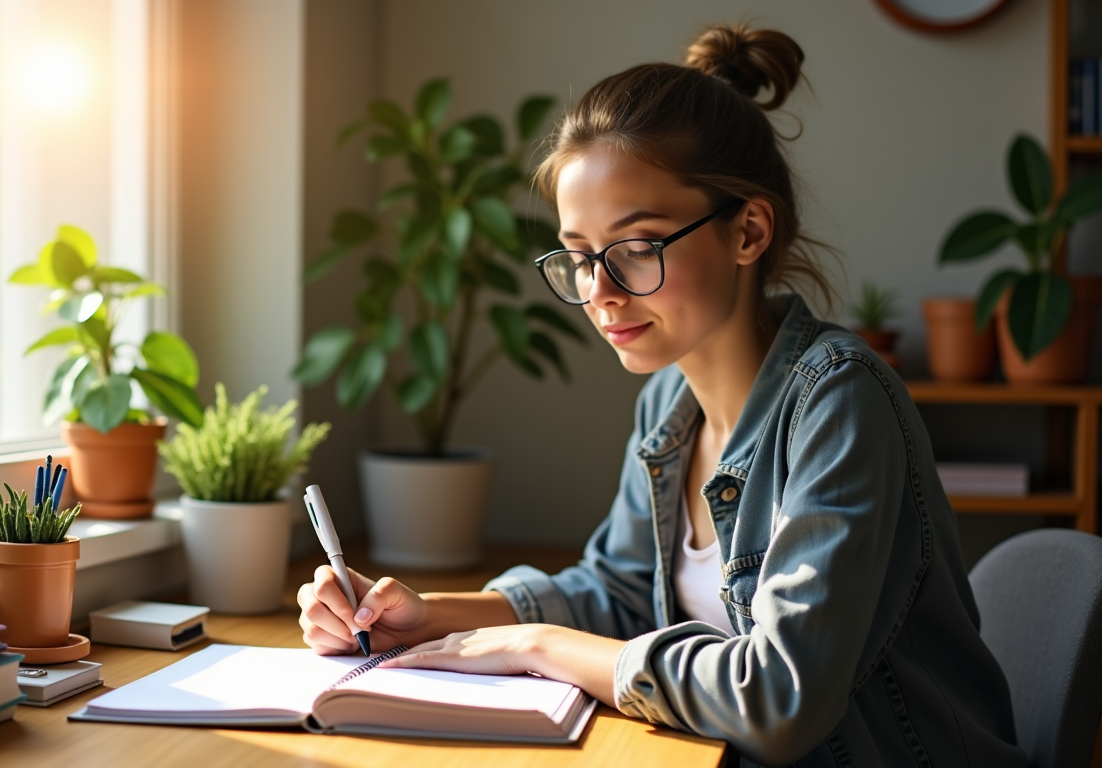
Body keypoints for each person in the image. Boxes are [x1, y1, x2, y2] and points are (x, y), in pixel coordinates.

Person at [298, 23, 1026, 768]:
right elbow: (614, 589)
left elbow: (778, 697)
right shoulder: (668, 403)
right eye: (580, 258)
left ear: (748, 231)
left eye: (637, 248)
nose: (601, 293)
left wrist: (536, 644)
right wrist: (423, 617)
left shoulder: (839, 402)